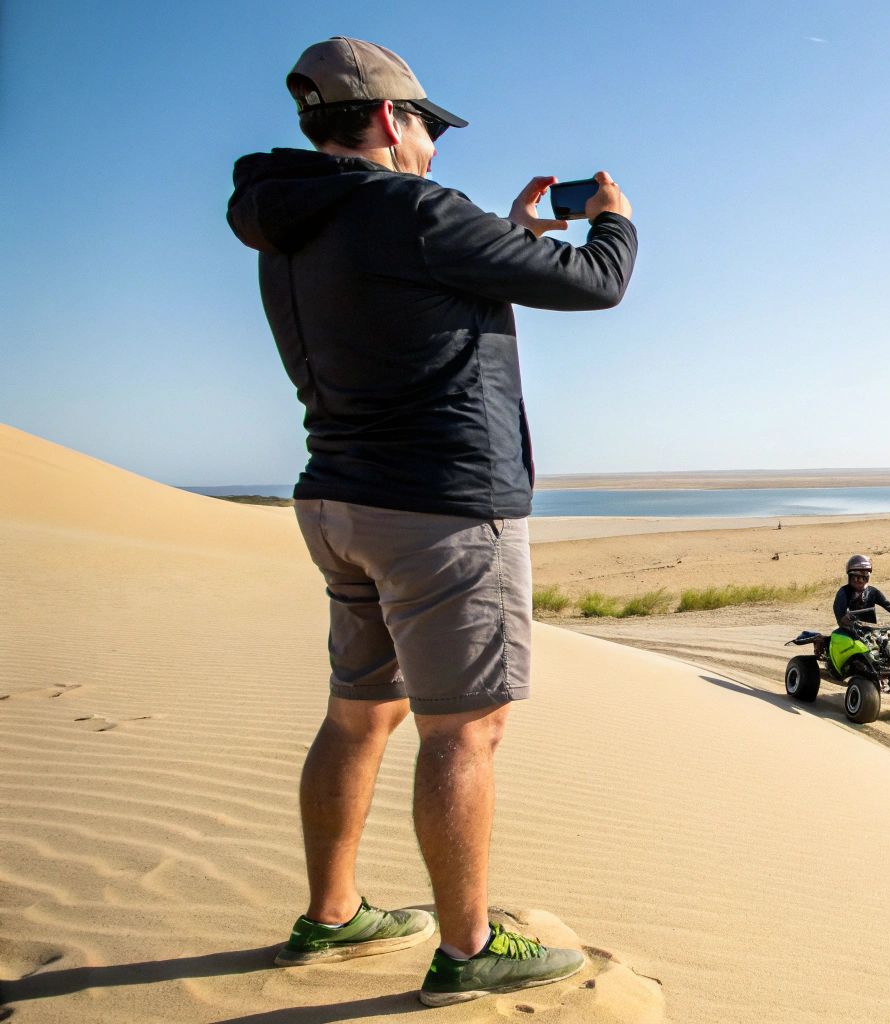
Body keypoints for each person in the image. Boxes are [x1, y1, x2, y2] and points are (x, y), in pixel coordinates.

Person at [227, 37, 637, 1006]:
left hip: (339, 500)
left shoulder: (289, 221)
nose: (432, 147)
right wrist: (612, 221)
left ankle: (332, 916)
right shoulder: (413, 212)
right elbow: (599, 284)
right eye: (425, 124)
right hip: (443, 511)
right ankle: (465, 948)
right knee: (466, 730)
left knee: (358, 710)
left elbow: (411, 300)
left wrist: (508, 238)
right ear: (383, 118)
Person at [829, 555, 890, 674]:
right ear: (850, 577)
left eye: (863, 578)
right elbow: (839, 612)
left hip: (871, 628)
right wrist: (846, 620)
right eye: (856, 578)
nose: (860, 581)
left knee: (889, 645)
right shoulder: (844, 592)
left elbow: (887, 604)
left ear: (868, 578)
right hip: (852, 630)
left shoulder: (873, 591)